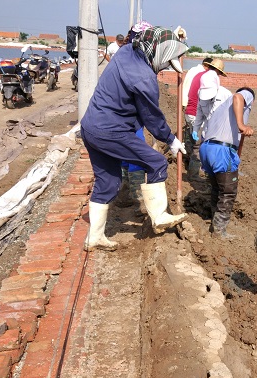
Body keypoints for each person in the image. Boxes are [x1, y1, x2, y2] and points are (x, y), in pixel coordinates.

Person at [80, 26, 189, 251]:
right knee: (156, 162)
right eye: (166, 63)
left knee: (108, 182)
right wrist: (171, 140)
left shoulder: (126, 51)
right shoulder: (144, 78)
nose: (164, 68)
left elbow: (146, 36)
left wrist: (175, 37)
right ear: (158, 54)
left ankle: (94, 237)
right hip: (111, 131)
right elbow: (152, 117)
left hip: (90, 128)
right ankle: (159, 216)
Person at [198, 86, 255, 238]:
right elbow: (238, 97)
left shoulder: (221, 108)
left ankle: (214, 221)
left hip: (206, 149)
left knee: (217, 189)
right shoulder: (245, 95)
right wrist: (242, 125)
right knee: (228, 192)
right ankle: (219, 231)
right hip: (221, 151)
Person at [182, 57, 213, 179]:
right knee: (198, 145)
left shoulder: (196, 73)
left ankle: (188, 163)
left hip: (189, 111)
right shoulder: (207, 77)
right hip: (196, 114)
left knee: (190, 140)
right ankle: (194, 174)